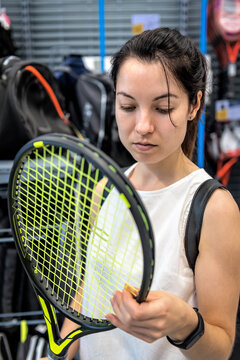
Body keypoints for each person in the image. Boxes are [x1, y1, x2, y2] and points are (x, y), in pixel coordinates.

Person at [41, 27, 240, 360]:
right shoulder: (106, 188)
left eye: (163, 109)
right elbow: (88, 290)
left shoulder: (212, 209)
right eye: (128, 106)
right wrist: (56, 353)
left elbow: (219, 348)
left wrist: (183, 322)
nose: (143, 126)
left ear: (194, 105)